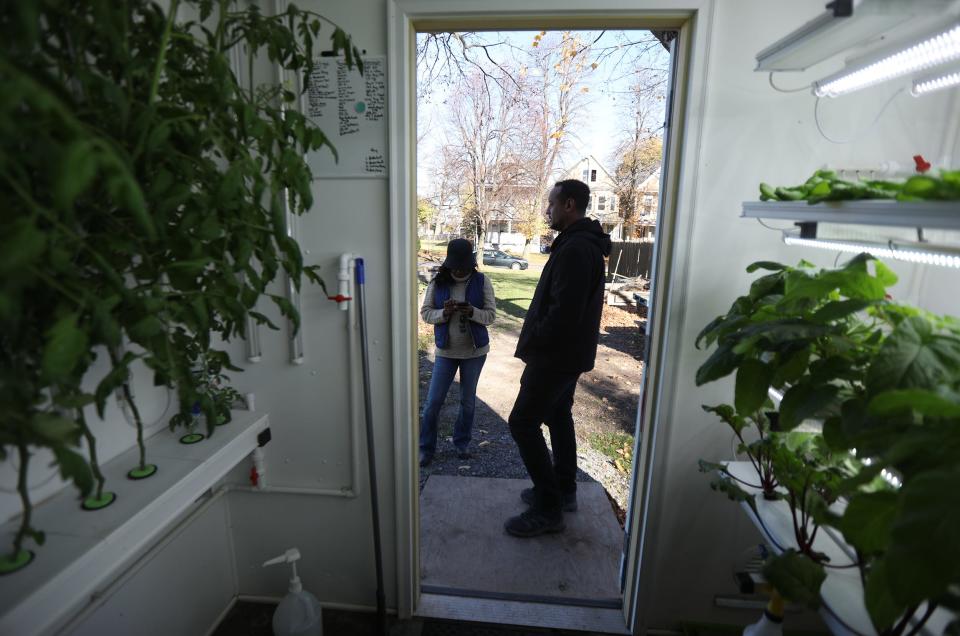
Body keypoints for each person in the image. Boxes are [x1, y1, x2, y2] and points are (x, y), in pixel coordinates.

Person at [504, 179, 611, 537]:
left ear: (568, 204)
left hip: (555, 356)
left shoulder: (577, 249)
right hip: (567, 354)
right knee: (557, 414)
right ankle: (564, 489)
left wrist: (535, 343)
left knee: (522, 423)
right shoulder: (578, 244)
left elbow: (564, 313)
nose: (546, 210)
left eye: (550, 204)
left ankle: (549, 509)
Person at [419, 238, 497, 467]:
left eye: (464, 266)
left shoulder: (482, 282)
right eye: (456, 265)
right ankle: (426, 448)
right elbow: (425, 313)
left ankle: (461, 443)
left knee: (467, 402)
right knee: (433, 402)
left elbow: (490, 316)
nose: (459, 270)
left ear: (472, 263)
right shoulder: (438, 282)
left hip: (475, 352)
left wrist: (472, 311)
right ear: (449, 263)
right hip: (446, 352)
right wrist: (444, 313)